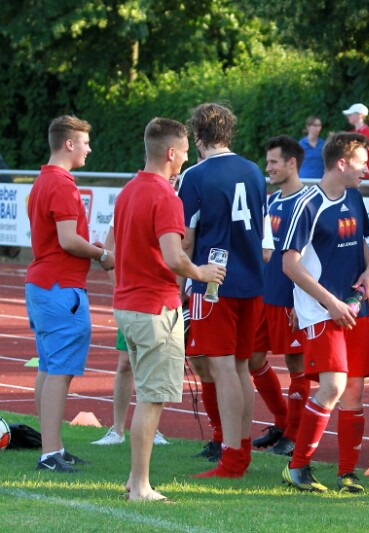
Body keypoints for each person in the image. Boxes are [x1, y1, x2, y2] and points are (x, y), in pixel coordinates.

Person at [113, 117, 225, 501]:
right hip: (154, 307)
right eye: (185, 152)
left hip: (128, 304)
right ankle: (141, 485)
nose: (187, 159)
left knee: (147, 394)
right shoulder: (165, 196)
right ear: (172, 152)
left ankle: (135, 480)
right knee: (151, 398)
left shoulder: (129, 190)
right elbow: (174, 257)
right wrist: (202, 272)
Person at [281, 131, 369, 493]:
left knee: (354, 390)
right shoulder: (308, 203)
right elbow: (290, 264)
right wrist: (330, 302)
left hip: (354, 307)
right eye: (361, 163)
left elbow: (363, 244)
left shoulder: (354, 196)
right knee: (333, 386)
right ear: (342, 164)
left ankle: (347, 474)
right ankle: (297, 467)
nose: (367, 169)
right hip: (322, 310)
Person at [179, 102, 267, 478]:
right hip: (252, 279)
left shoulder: (195, 176)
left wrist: (180, 281)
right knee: (241, 366)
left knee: (223, 367)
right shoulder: (254, 170)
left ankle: (231, 457)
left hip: (213, 281)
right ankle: (240, 451)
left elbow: (185, 239)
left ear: (198, 135)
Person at [25, 115, 114, 473]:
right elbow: (68, 240)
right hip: (60, 287)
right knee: (59, 371)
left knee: (49, 368)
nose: (89, 149)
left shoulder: (43, 180)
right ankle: (50, 453)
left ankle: (54, 447)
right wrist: (103, 255)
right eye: (85, 143)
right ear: (69, 143)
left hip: (44, 285)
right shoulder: (61, 184)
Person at [251, 135, 311, 456]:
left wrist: (303, 299)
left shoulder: (309, 202)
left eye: (274, 162)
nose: (268, 167)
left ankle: (296, 433)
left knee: (295, 363)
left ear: (292, 163)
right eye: (268, 162)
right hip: (265, 295)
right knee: (253, 358)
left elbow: (312, 257)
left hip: (291, 298)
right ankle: (282, 420)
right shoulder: (271, 201)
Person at [92, 221, 169, 447]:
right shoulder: (124, 206)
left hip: (159, 296)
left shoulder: (172, 205)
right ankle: (117, 430)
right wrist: (120, 286)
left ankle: (152, 427)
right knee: (126, 362)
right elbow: (109, 251)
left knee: (155, 362)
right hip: (131, 297)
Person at [343, 103, 369, 179]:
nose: (348, 116)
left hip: (365, 175)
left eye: (351, 114)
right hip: (351, 174)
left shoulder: (368, 132)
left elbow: (359, 152)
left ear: (360, 115)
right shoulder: (350, 133)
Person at [298, 115, 325, 180]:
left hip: (320, 181)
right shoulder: (300, 145)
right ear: (308, 127)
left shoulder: (324, 144)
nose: (318, 128)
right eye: (315, 125)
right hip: (304, 180)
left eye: (319, 125)